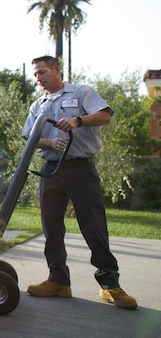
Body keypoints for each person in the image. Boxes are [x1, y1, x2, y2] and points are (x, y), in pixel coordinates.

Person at [22, 55, 137, 310]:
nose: (38, 78)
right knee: (51, 228)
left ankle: (110, 285)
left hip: (80, 169)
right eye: (35, 75)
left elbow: (105, 116)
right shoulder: (37, 104)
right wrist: (50, 142)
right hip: (51, 170)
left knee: (93, 226)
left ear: (56, 70)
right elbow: (29, 137)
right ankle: (58, 280)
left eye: (41, 72)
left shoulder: (82, 92)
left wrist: (78, 121)